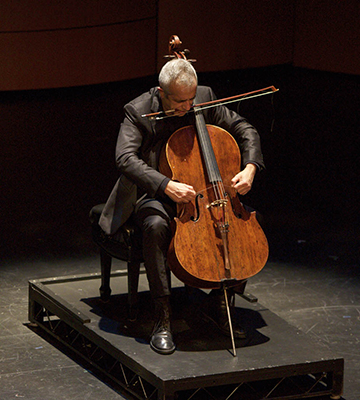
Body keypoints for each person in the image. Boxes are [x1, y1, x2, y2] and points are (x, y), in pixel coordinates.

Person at [98, 58, 265, 355]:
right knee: (155, 226)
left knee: (249, 224)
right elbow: (125, 158)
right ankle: (162, 319)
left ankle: (220, 303)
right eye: (179, 100)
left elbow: (245, 128)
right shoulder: (137, 110)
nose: (188, 106)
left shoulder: (204, 96)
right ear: (162, 93)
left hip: (201, 190)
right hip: (153, 192)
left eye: (191, 99)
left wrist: (250, 167)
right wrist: (165, 185)